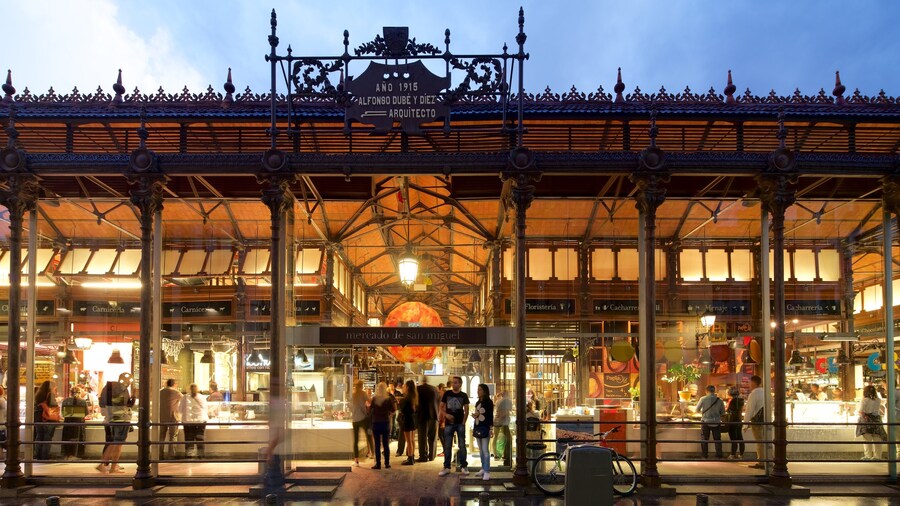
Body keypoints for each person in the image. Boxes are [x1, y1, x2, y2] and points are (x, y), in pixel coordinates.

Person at [97, 374, 135, 473]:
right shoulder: (123, 389)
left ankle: (105, 464)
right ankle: (111, 466)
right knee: (117, 443)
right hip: (122, 418)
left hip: (110, 418)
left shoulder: (108, 387)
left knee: (113, 442)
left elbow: (102, 403)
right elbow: (127, 404)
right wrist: (134, 397)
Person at [438, 376, 470, 476]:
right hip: (449, 424)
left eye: (456, 382)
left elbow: (466, 409)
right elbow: (441, 407)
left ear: (460, 384)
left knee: (462, 445)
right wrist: (446, 415)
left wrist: (463, 422)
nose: (453, 384)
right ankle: (447, 467)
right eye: (453, 382)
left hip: (460, 423)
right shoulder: (447, 394)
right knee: (447, 445)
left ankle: (463, 466)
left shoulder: (463, 395)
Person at [369, 382, 396, 470]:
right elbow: (393, 410)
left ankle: (378, 464)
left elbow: (370, 410)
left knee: (377, 444)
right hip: (385, 423)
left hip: (376, 423)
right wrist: (389, 414)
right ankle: (387, 463)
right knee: (385, 444)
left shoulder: (374, 398)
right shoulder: (388, 399)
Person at [856, 385, 887, 461]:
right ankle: (877, 456)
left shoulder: (864, 400)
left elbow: (861, 411)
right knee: (877, 438)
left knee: (867, 439)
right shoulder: (878, 400)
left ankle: (868, 456)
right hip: (877, 420)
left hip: (867, 420)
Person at [743, 375, 767, 469]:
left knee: (760, 442)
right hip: (766, 420)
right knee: (766, 441)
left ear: (753, 383)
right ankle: (768, 460)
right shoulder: (765, 392)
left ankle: (761, 462)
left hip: (757, 422)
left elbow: (750, 409)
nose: (749, 384)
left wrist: (745, 423)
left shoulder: (754, 393)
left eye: (749, 382)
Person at [695, 385, 724, 459]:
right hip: (716, 422)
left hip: (705, 421)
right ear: (714, 391)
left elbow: (697, 410)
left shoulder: (703, 399)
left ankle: (704, 456)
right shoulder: (720, 400)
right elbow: (723, 412)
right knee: (717, 439)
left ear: (706, 391)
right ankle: (719, 455)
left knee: (704, 439)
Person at [471, 383, 493, 481]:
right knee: (480, 450)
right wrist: (476, 415)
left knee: (485, 450)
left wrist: (491, 428)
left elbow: (490, 416)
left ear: (484, 391)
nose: (478, 391)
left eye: (479, 389)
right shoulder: (477, 402)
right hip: (478, 426)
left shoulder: (488, 402)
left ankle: (487, 470)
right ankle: (483, 468)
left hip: (485, 427)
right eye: (478, 389)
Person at [349, 380, 374, 467]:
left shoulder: (353, 394)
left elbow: (350, 406)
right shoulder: (363, 393)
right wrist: (366, 409)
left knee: (356, 440)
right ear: (361, 386)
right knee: (369, 436)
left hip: (355, 420)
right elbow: (370, 401)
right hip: (363, 419)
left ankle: (356, 461)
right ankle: (374, 456)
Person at [34, 380, 60, 460]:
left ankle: (38, 455)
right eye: (54, 386)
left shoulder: (39, 394)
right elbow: (53, 405)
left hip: (39, 419)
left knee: (39, 437)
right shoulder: (50, 394)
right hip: (48, 420)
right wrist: (57, 400)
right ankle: (44, 456)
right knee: (47, 438)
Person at [180, 383, 209, 458]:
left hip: (188, 421)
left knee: (189, 438)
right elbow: (206, 408)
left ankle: (189, 456)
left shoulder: (185, 397)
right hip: (200, 421)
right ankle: (201, 455)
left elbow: (180, 409)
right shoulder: (202, 397)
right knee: (200, 438)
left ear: (188, 389)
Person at [61, 385, 88, 459]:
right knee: (77, 438)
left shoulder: (65, 401)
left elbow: (63, 413)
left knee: (67, 438)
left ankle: (67, 455)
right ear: (79, 393)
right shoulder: (83, 401)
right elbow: (86, 412)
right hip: (79, 422)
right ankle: (75, 455)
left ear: (70, 393)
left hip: (68, 422)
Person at [159, 378, 183, 460]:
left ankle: (159, 454)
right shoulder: (176, 392)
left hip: (161, 416)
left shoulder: (160, 392)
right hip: (173, 417)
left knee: (161, 436)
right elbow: (184, 400)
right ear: (174, 384)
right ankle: (171, 455)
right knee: (172, 436)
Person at [415, 376, 438, 462]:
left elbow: (416, 403)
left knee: (422, 438)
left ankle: (423, 456)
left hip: (423, 416)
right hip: (434, 415)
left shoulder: (418, 389)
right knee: (432, 437)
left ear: (422, 381)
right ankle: (432, 455)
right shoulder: (435, 389)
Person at [399, 380, 418, 465]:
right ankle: (412, 456)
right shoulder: (414, 397)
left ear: (407, 387)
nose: (403, 387)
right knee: (412, 440)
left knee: (408, 440)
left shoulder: (405, 399)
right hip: (412, 419)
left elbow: (402, 409)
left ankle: (410, 458)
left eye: (404, 386)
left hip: (406, 420)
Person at [724, 386, 745, 460]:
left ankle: (733, 454)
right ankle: (741, 454)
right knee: (740, 437)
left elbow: (727, 410)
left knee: (733, 438)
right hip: (739, 420)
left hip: (732, 420)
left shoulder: (732, 401)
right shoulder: (741, 400)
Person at [493, 390, 512, 467]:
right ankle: (505, 455)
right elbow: (506, 412)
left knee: (496, 437)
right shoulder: (507, 401)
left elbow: (497, 410)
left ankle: (496, 454)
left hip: (497, 421)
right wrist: (501, 418)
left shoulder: (498, 401)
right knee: (507, 439)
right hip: (503, 422)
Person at [436, 383, 447, 458]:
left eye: (441, 391)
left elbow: (444, 411)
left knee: (442, 435)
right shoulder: (442, 401)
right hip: (441, 420)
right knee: (441, 435)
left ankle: (445, 451)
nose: (440, 392)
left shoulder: (445, 402)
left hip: (443, 421)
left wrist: (443, 422)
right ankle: (445, 450)